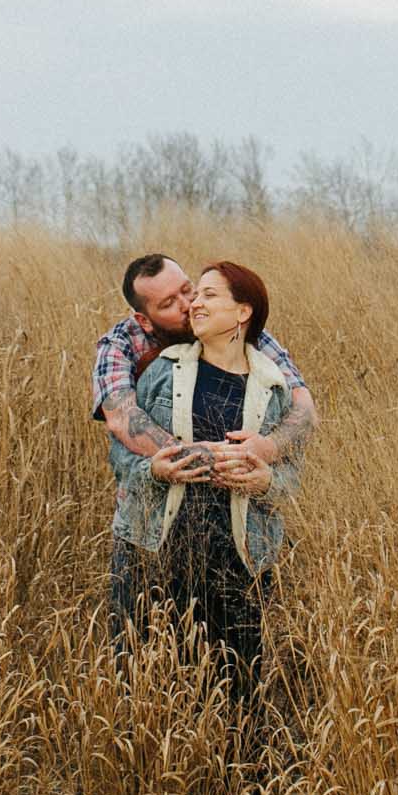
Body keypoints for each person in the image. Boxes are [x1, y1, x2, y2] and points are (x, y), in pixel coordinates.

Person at [110, 261, 301, 702]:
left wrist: (267, 480)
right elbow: (121, 452)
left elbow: (294, 475)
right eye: (194, 297)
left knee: (238, 692)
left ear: (242, 313)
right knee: (145, 685)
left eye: (206, 295)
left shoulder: (273, 387)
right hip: (154, 552)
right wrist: (153, 470)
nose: (194, 303)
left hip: (239, 561)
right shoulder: (162, 370)